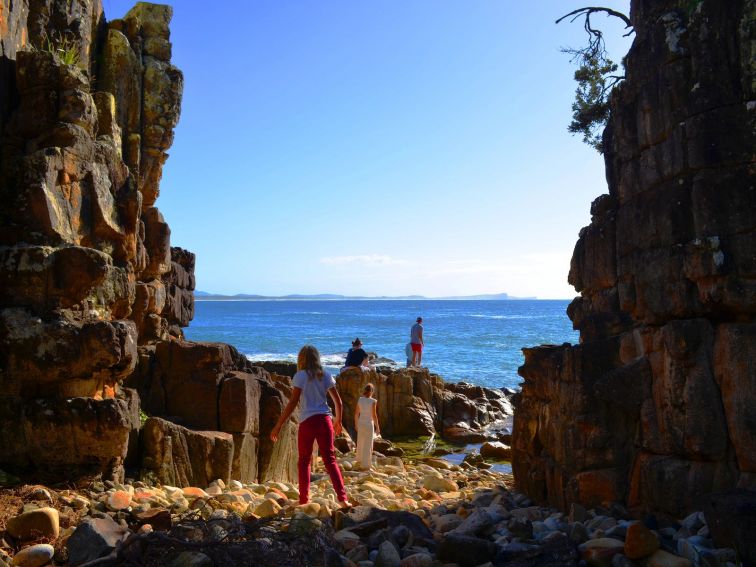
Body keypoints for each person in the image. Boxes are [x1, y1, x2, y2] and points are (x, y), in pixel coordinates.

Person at [270, 345, 351, 508]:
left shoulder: (300, 376)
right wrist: (338, 421)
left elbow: (293, 402)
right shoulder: (326, 375)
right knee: (331, 461)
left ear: (301, 359)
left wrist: (278, 425)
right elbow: (338, 402)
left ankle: (304, 499)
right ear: (317, 358)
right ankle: (343, 500)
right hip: (324, 420)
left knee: (304, 461)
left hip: (307, 422)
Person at [354, 383, 380, 470]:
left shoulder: (360, 400)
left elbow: (356, 414)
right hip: (369, 424)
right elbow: (374, 415)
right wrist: (378, 427)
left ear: (365, 390)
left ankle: (359, 461)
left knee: (360, 441)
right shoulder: (373, 401)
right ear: (372, 391)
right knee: (368, 444)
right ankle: (366, 465)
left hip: (361, 423)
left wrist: (356, 424)